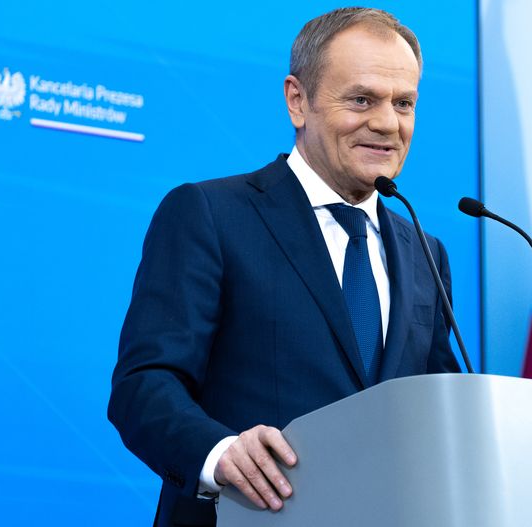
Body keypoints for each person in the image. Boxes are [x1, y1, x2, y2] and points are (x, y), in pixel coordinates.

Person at [108, 8, 461, 526]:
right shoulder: (210, 214)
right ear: (298, 100)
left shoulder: (425, 253)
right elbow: (144, 385)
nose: (388, 123)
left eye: (403, 103)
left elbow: (440, 414)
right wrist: (220, 453)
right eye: (361, 99)